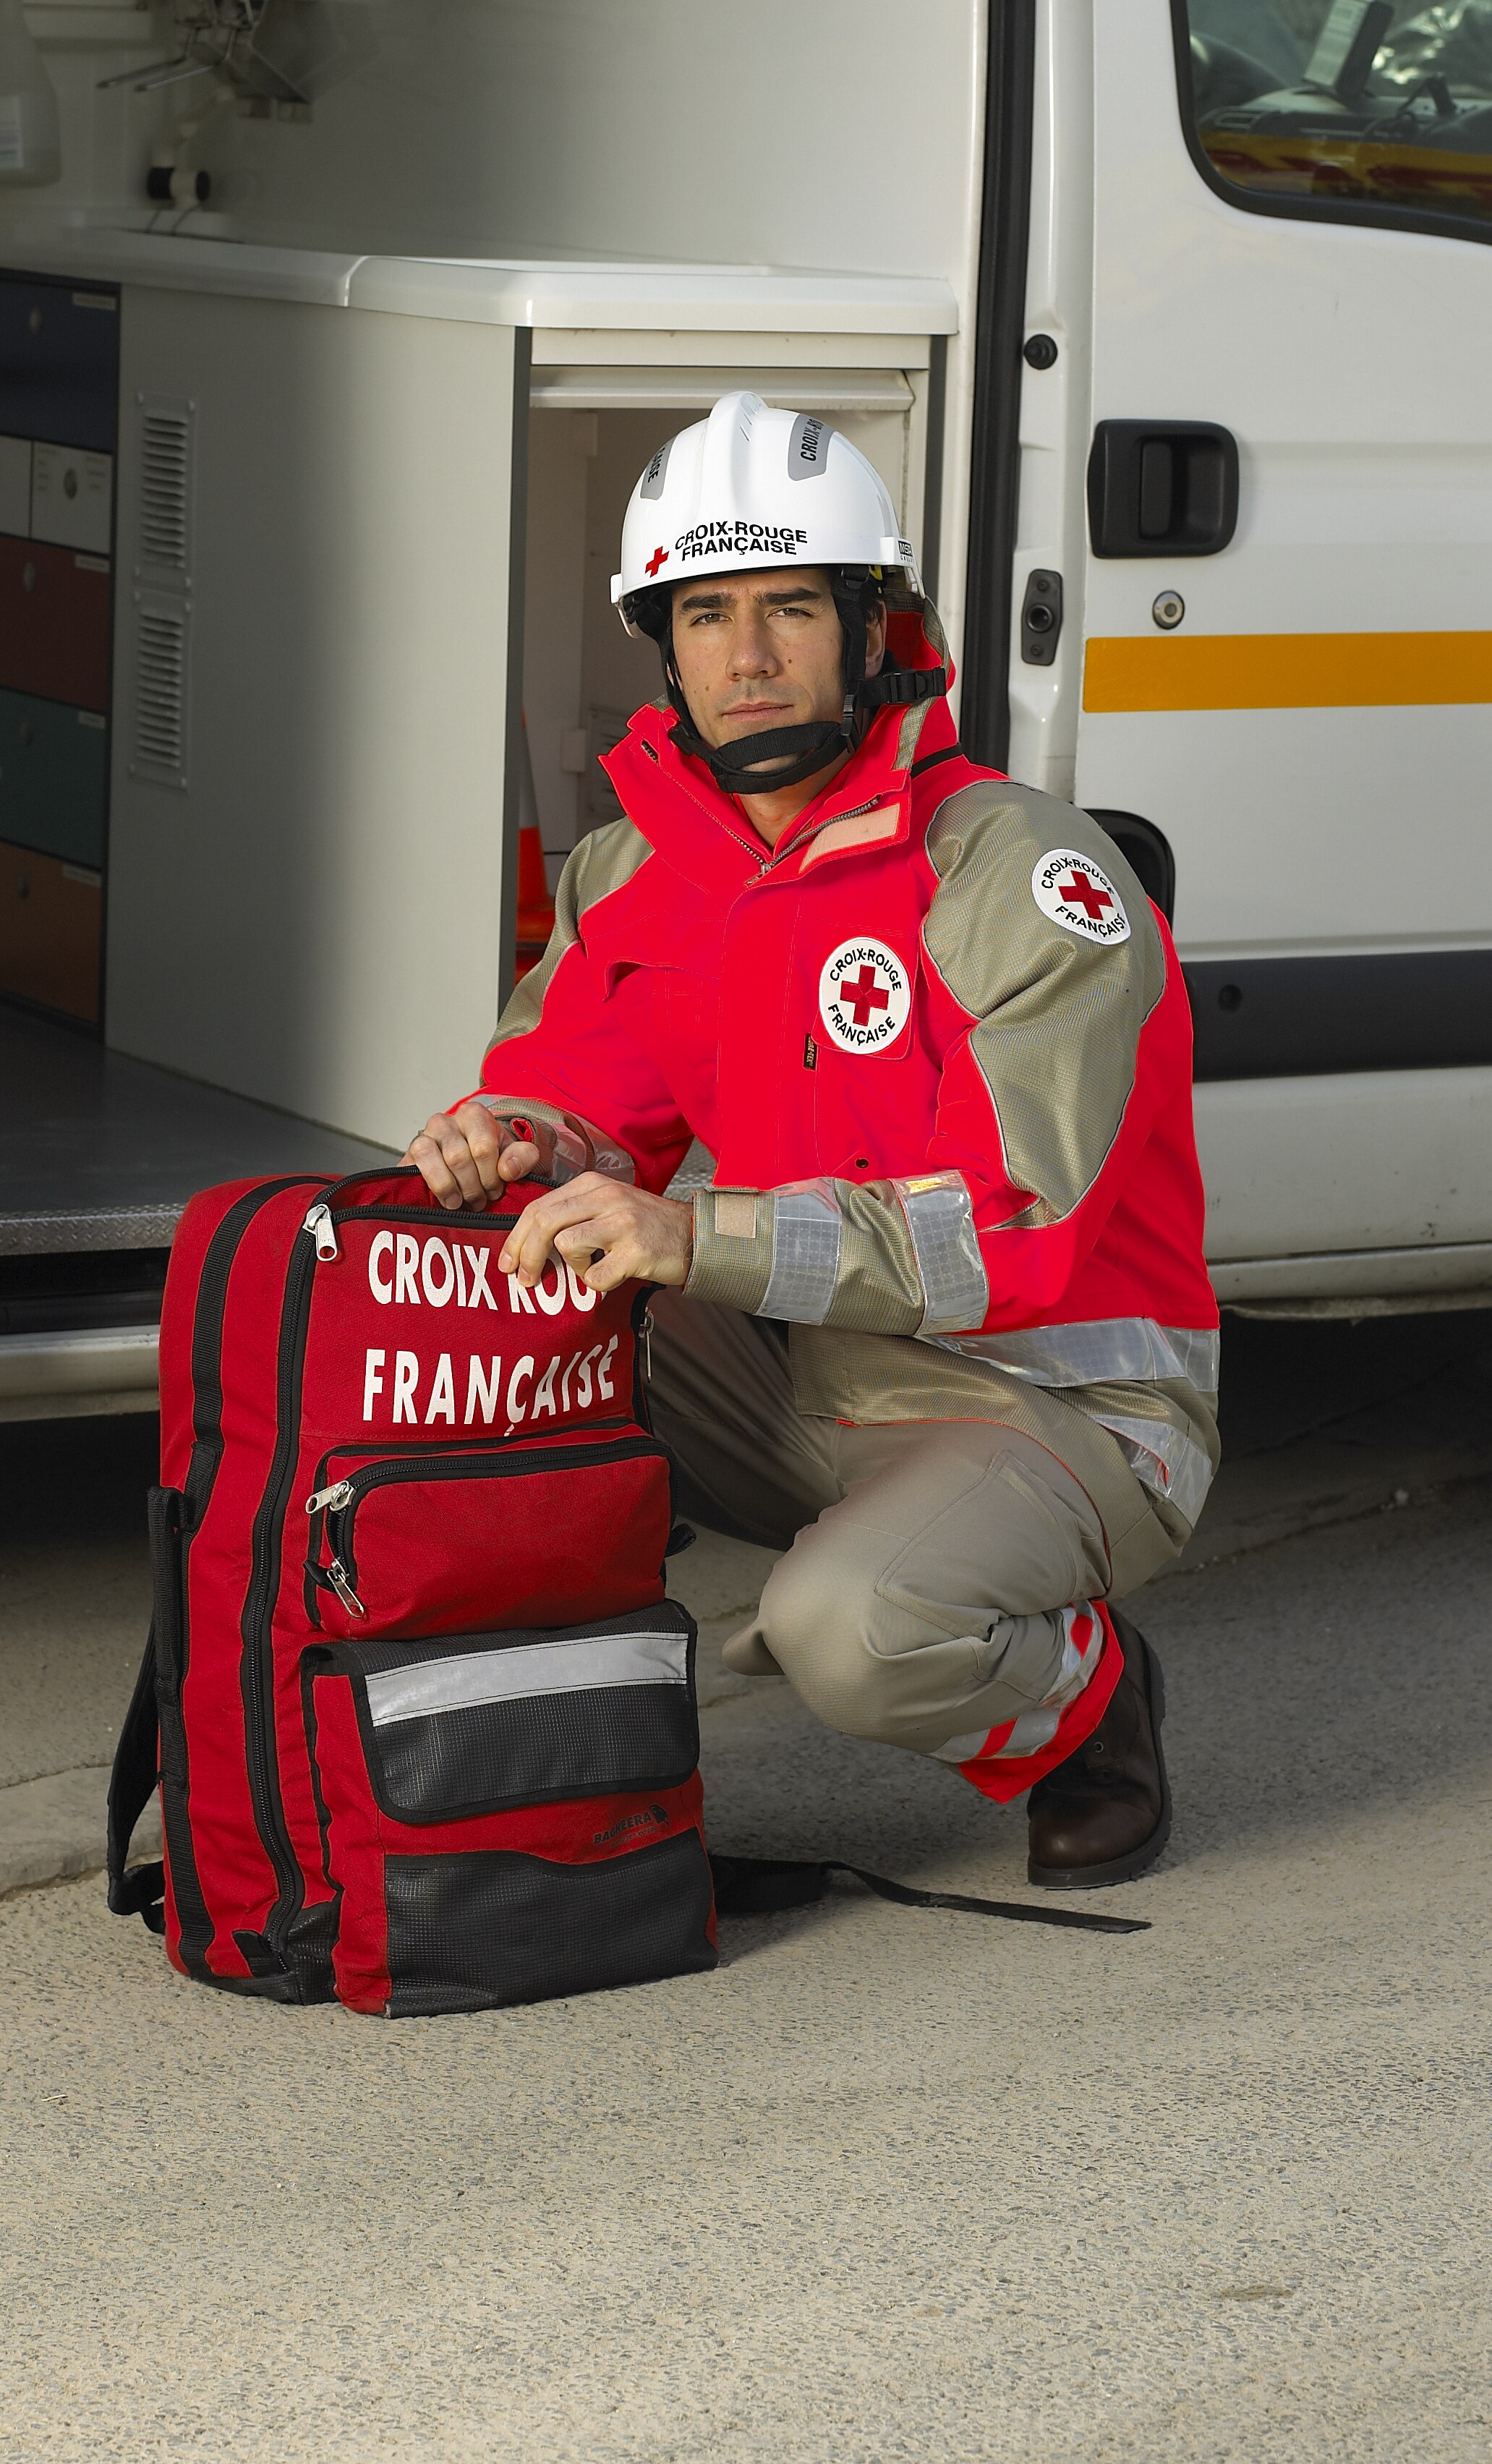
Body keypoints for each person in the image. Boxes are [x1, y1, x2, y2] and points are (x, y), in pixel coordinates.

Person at [406, 393, 1216, 1888]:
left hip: (1054, 1410)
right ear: (663, 642)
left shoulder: (1016, 871)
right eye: (703, 614)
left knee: (846, 1634)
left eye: (789, 605)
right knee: (497, 1300)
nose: (747, 656)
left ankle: (1079, 1705)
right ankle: (561, 1732)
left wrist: (685, 1233)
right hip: (812, 1370)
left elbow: (1011, 1231)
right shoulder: (642, 863)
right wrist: (512, 1138)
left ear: (868, 625)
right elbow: (586, 1090)